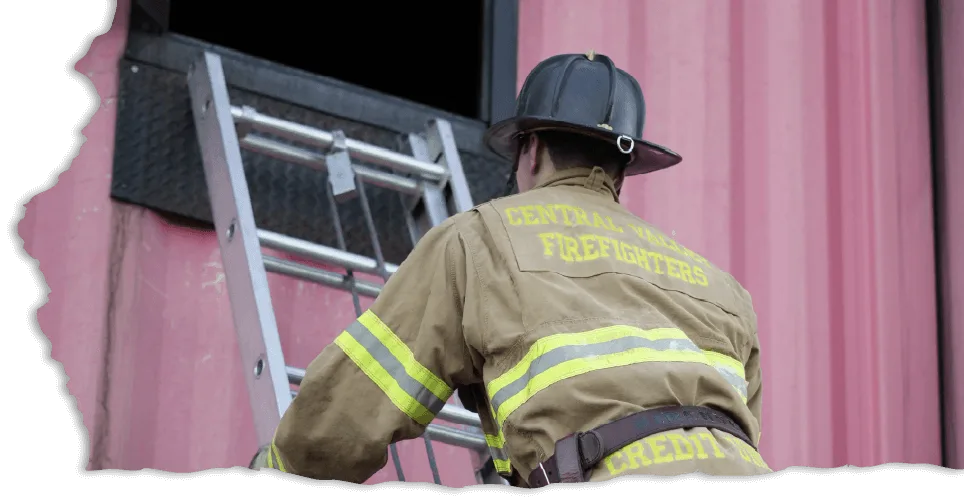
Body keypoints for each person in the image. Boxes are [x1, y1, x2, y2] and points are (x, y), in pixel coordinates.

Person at [259, 51, 769, 486]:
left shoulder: (479, 238)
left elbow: (352, 409)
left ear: (532, 149)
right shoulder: (723, 289)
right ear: (621, 172)